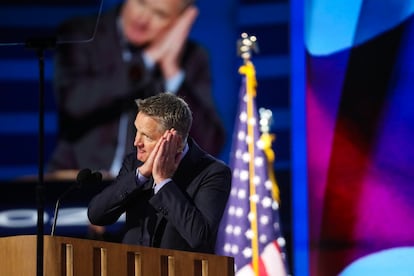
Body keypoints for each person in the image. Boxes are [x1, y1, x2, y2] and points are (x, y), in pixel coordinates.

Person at [47, 0, 225, 177]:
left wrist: (172, 73)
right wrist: (147, 60)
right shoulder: (82, 33)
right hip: (77, 182)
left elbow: (209, 144)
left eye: (159, 14)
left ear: (178, 21)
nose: (143, 18)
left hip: (150, 191)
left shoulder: (193, 58)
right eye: (140, 2)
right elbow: (74, 102)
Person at [87, 93, 231, 253]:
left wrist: (163, 182)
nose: (136, 142)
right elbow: (96, 215)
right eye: (137, 131)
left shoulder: (213, 173)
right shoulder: (134, 164)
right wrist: (140, 175)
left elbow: (200, 238)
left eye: (147, 136)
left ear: (175, 141)